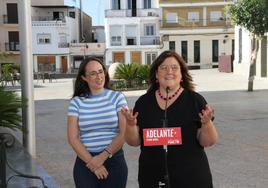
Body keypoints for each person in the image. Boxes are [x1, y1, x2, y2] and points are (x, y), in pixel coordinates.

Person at [121, 50, 218, 188]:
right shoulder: (143, 103)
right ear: (156, 74)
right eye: (163, 68)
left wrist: (206, 124)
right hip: (152, 177)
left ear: (181, 74)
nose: (169, 71)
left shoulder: (195, 101)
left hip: (191, 178)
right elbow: (134, 142)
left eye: (174, 67)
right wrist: (130, 125)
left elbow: (208, 142)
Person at [67, 57, 128, 188]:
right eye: (93, 73)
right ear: (84, 77)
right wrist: (93, 163)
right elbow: (72, 138)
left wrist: (102, 157)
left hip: (114, 160)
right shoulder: (76, 102)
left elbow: (123, 133)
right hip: (86, 162)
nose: (99, 76)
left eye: (101, 72)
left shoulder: (118, 97)